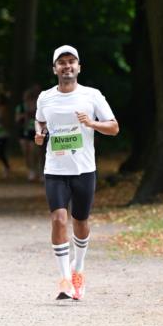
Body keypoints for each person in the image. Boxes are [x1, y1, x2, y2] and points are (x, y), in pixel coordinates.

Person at [35, 45, 118, 301]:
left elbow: (114, 127)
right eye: (62, 62)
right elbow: (40, 120)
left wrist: (91, 123)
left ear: (79, 67)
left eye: (71, 62)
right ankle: (63, 281)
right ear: (55, 69)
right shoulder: (45, 97)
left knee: (80, 221)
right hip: (55, 170)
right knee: (59, 219)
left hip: (83, 169)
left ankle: (78, 269)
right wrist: (39, 133)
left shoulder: (92, 96)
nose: (67, 66)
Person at [16, 84, 42, 181]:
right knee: (26, 151)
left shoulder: (38, 105)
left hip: (35, 129)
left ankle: (38, 170)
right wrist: (23, 116)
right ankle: (31, 170)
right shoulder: (21, 107)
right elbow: (17, 119)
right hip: (24, 130)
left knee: (35, 150)